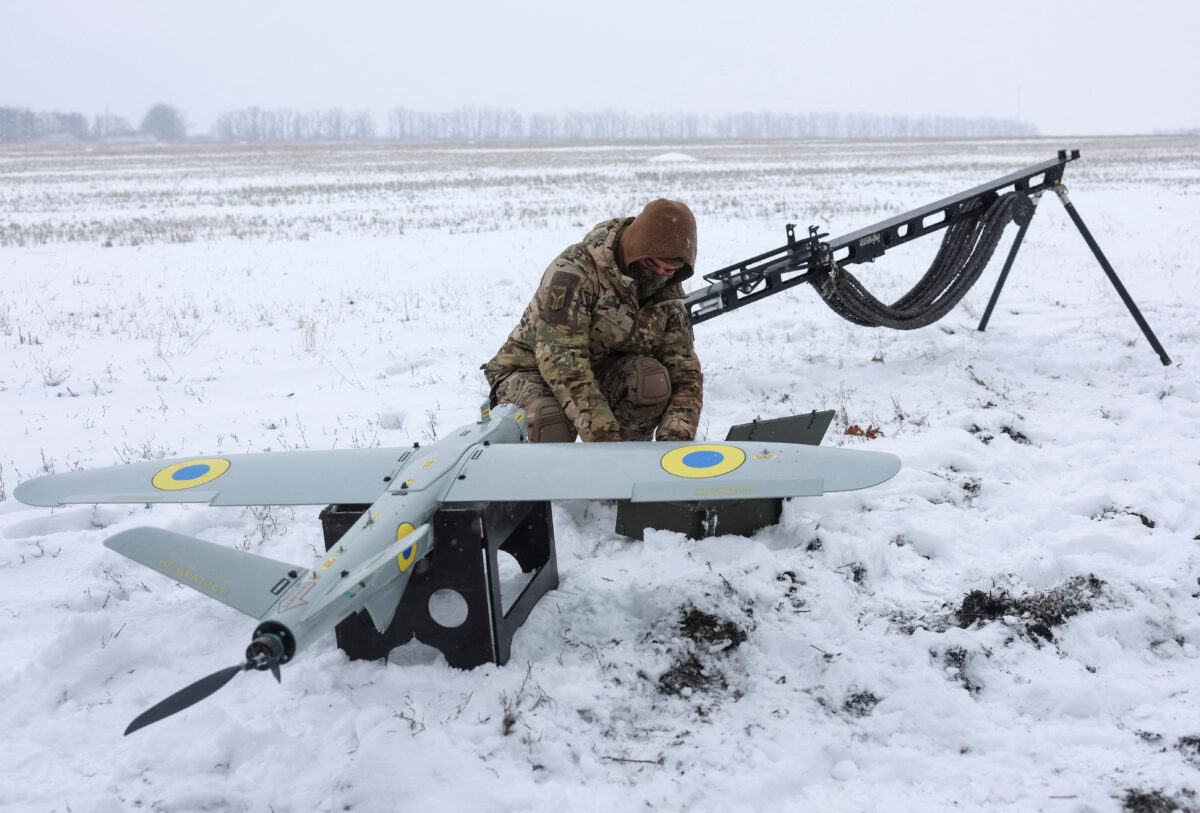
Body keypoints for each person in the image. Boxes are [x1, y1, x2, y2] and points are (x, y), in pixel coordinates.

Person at [482, 198, 703, 443]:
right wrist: (604, 440)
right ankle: (546, 479)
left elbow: (684, 371)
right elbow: (562, 359)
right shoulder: (575, 270)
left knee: (650, 381)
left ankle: (632, 466)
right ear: (634, 249)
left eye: (668, 271)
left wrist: (674, 441)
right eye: (651, 263)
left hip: (601, 371)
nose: (658, 275)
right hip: (531, 369)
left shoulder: (666, 292)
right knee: (549, 420)